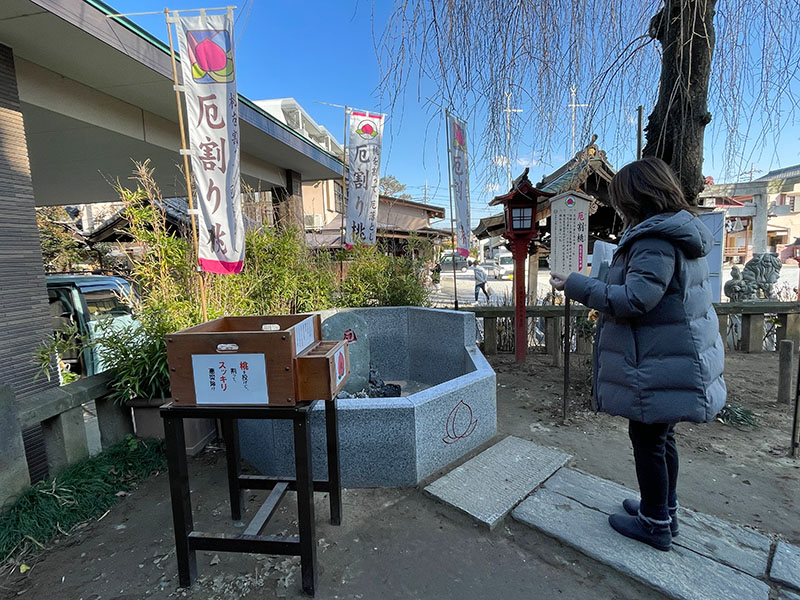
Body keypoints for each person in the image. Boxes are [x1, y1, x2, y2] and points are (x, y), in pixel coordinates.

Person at [549, 156, 726, 552]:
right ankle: (662, 508)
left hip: (658, 359)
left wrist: (576, 284)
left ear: (637, 197)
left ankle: (654, 523)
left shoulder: (653, 240)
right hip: (670, 354)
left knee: (647, 439)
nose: (618, 206)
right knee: (661, 438)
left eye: (621, 198)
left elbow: (634, 299)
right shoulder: (678, 233)